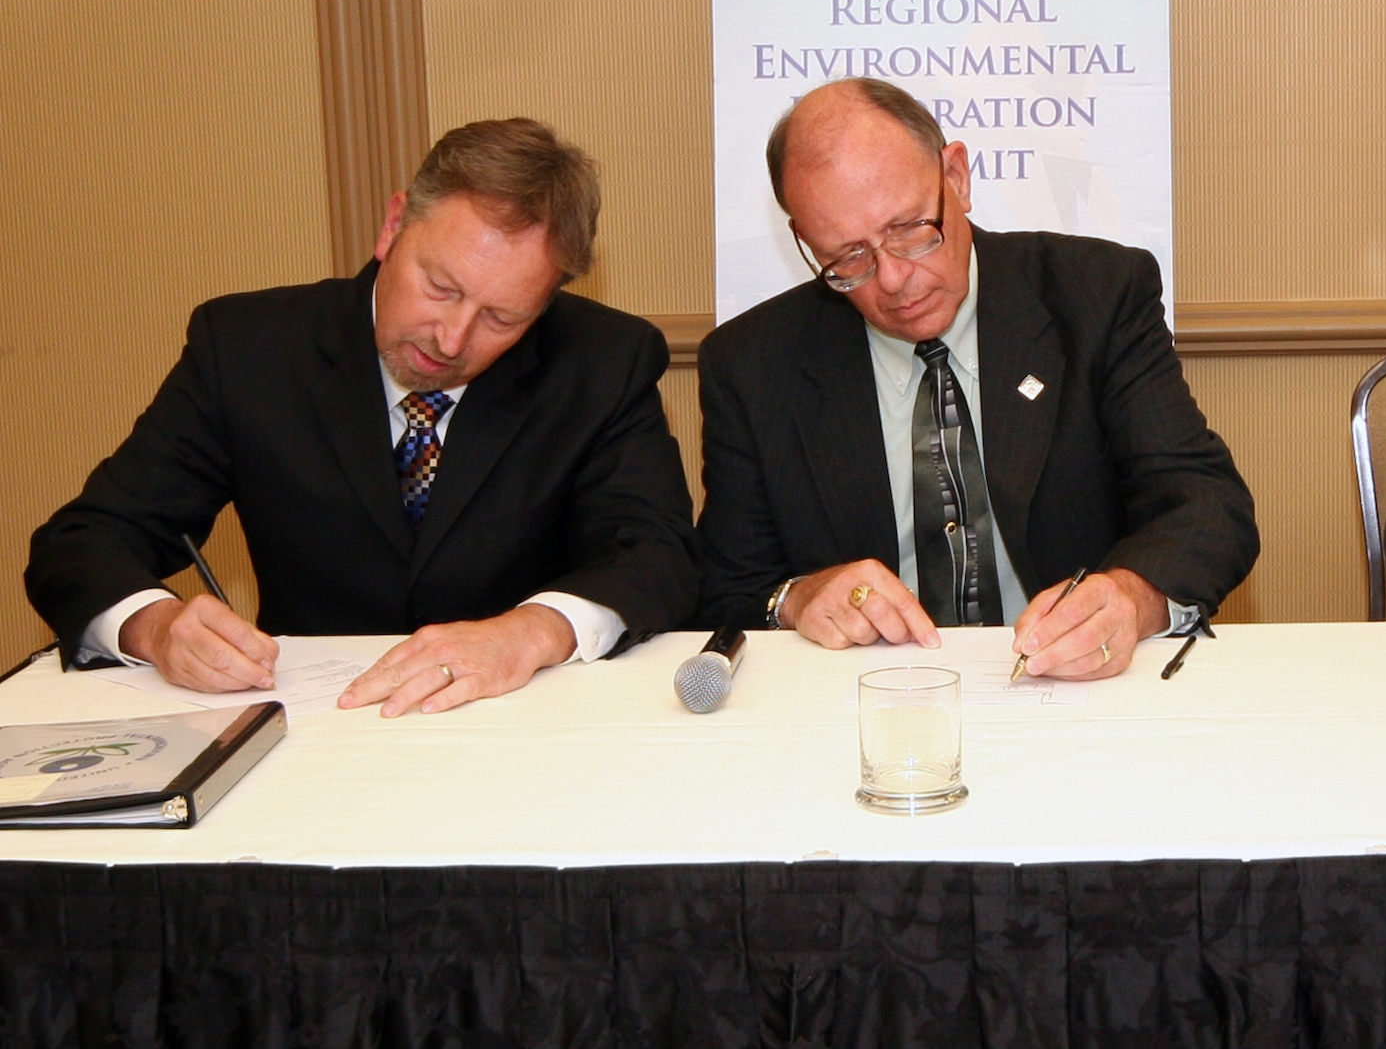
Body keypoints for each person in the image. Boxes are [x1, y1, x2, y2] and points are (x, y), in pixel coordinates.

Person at [26, 118, 701, 714]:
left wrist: (533, 632)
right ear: (392, 226)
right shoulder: (247, 348)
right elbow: (83, 543)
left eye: (503, 317)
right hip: (312, 726)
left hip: (520, 719)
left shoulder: (603, 360)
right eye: (440, 288)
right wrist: (155, 626)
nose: (452, 339)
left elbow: (656, 555)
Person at [697, 77, 1257, 677]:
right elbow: (722, 584)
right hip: (866, 696)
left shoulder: (1096, 294)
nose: (890, 279)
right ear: (804, 241)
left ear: (957, 177)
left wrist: (1133, 597)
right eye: (847, 257)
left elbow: (1206, 505)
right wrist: (794, 598)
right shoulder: (753, 363)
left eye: (908, 229)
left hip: (1076, 688)